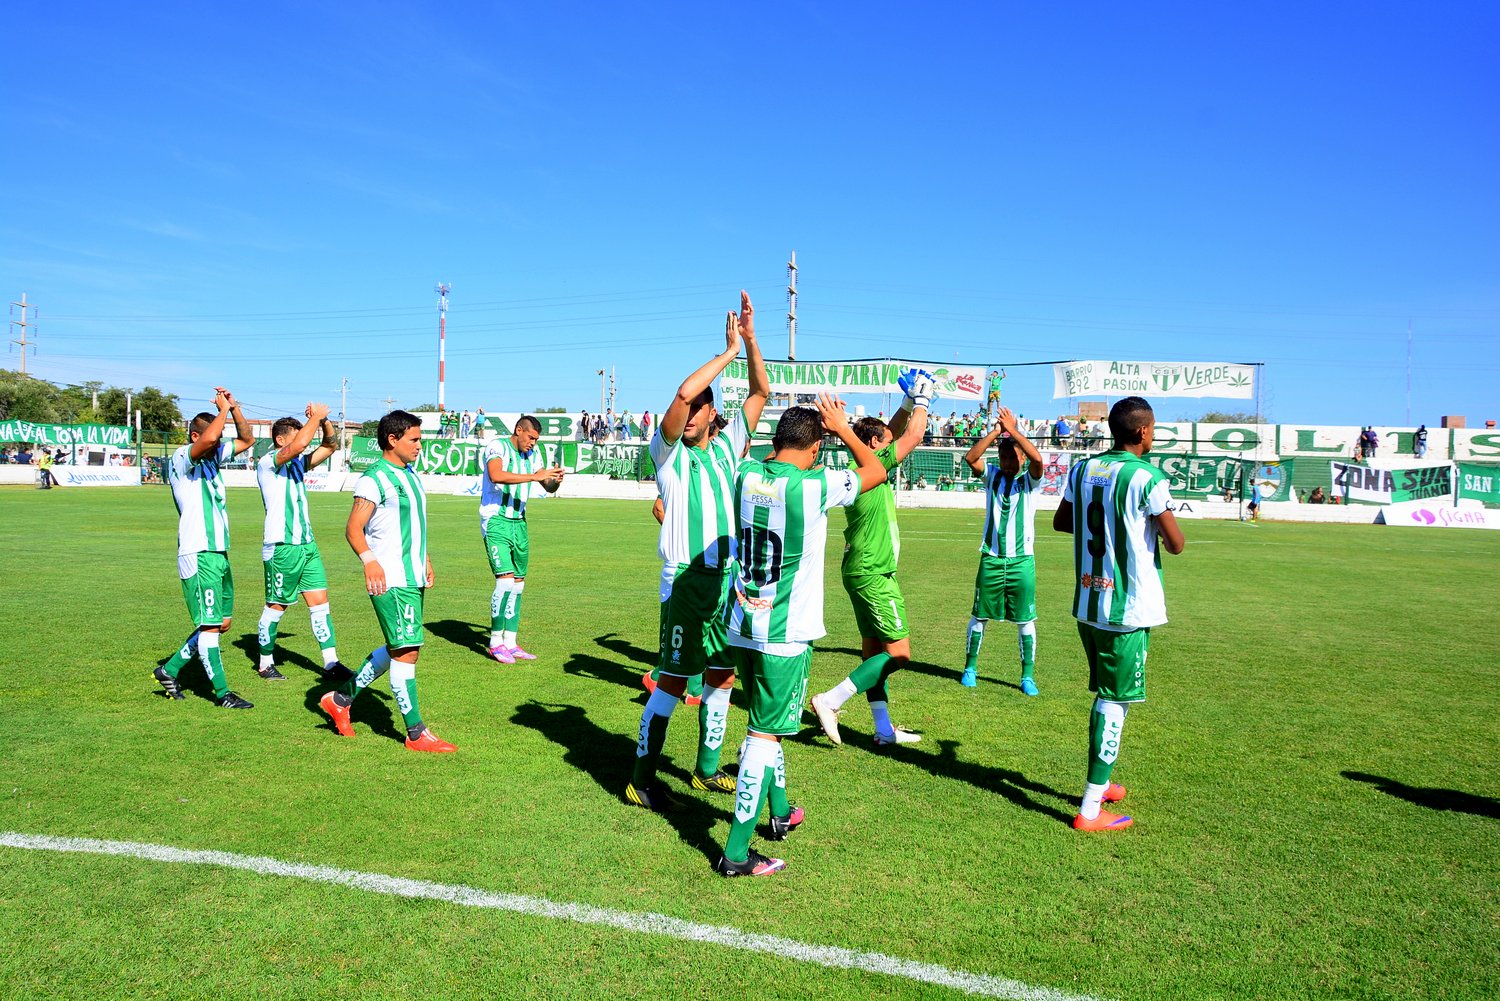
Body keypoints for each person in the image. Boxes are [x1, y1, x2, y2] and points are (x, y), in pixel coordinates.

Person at [715, 394, 891, 877]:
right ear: (815, 448)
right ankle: (735, 851)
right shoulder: (816, 484)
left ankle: (780, 812)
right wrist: (845, 429)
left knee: (764, 723)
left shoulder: (745, 474)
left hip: (744, 621)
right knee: (763, 735)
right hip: (785, 632)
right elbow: (875, 469)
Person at [626, 291, 769, 812]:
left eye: (699, 407)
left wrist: (751, 341)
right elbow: (682, 392)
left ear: (715, 415)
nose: (687, 412)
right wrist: (727, 351)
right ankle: (641, 778)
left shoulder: (731, 447)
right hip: (685, 580)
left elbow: (761, 389)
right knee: (671, 677)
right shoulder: (668, 454)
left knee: (722, 675)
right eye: (689, 407)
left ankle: (706, 771)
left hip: (728, 580)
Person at [1053, 396, 1185, 832]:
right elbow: (1176, 543)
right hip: (1126, 609)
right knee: (1114, 700)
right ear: (1144, 431)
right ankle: (1090, 808)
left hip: (1088, 604)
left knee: (1109, 692)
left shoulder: (1082, 469)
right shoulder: (1147, 477)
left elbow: (1061, 522)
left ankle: (1103, 784)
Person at [809, 368, 935, 748]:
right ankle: (829, 701)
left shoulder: (861, 468)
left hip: (859, 568)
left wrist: (906, 401)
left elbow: (893, 431)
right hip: (874, 571)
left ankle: (883, 730)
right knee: (900, 652)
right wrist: (925, 400)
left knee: (873, 650)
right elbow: (912, 434)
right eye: (884, 439)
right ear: (876, 445)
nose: (890, 440)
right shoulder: (875, 469)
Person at [320, 410, 455, 752]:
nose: (420, 446)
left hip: (411, 574)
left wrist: (424, 558)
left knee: (401, 647)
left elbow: (410, 526)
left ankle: (340, 700)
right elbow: (353, 528)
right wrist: (369, 561)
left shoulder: (410, 474)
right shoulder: (374, 478)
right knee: (407, 651)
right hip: (391, 577)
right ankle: (416, 734)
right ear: (392, 440)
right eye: (414, 439)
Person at [152, 388, 257, 709]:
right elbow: (211, 440)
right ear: (194, 435)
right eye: (212, 433)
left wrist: (234, 408)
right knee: (210, 624)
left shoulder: (213, 456)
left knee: (221, 622)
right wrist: (222, 413)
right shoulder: (182, 457)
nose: (217, 441)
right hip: (197, 551)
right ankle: (223, 693)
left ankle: (168, 670)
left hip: (218, 551)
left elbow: (248, 439)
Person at [253, 402, 348, 681]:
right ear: (280, 440)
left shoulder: (297, 464)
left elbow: (329, 446)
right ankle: (264, 663)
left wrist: (324, 421)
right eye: (295, 436)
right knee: (276, 605)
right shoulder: (268, 462)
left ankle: (331, 663)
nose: (301, 443)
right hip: (282, 546)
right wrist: (314, 418)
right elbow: (298, 445)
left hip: (307, 545)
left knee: (320, 604)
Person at [959, 407, 1046, 695]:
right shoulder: (993, 477)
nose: (1009, 462)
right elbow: (970, 458)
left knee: (1025, 620)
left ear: (1021, 457)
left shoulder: (1030, 481)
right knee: (979, 616)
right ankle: (970, 668)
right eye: (1005, 457)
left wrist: (1015, 431)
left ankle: (1027, 676)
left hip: (1022, 561)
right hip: (992, 559)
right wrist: (998, 431)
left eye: (1014, 457)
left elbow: (1038, 459)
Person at [480, 415, 565, 663]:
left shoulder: (533, 456)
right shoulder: (497, 446)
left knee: (518, 584)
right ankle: (495, 641)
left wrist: (555, 480)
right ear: (519, 430)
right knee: (505, 581)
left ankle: (511, 642)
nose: (533, 444)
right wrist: (535, 477)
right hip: (496, 520)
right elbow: (496, 475)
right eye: (531, 438)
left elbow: (546, 485)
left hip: (520, 522)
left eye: (536, 440)